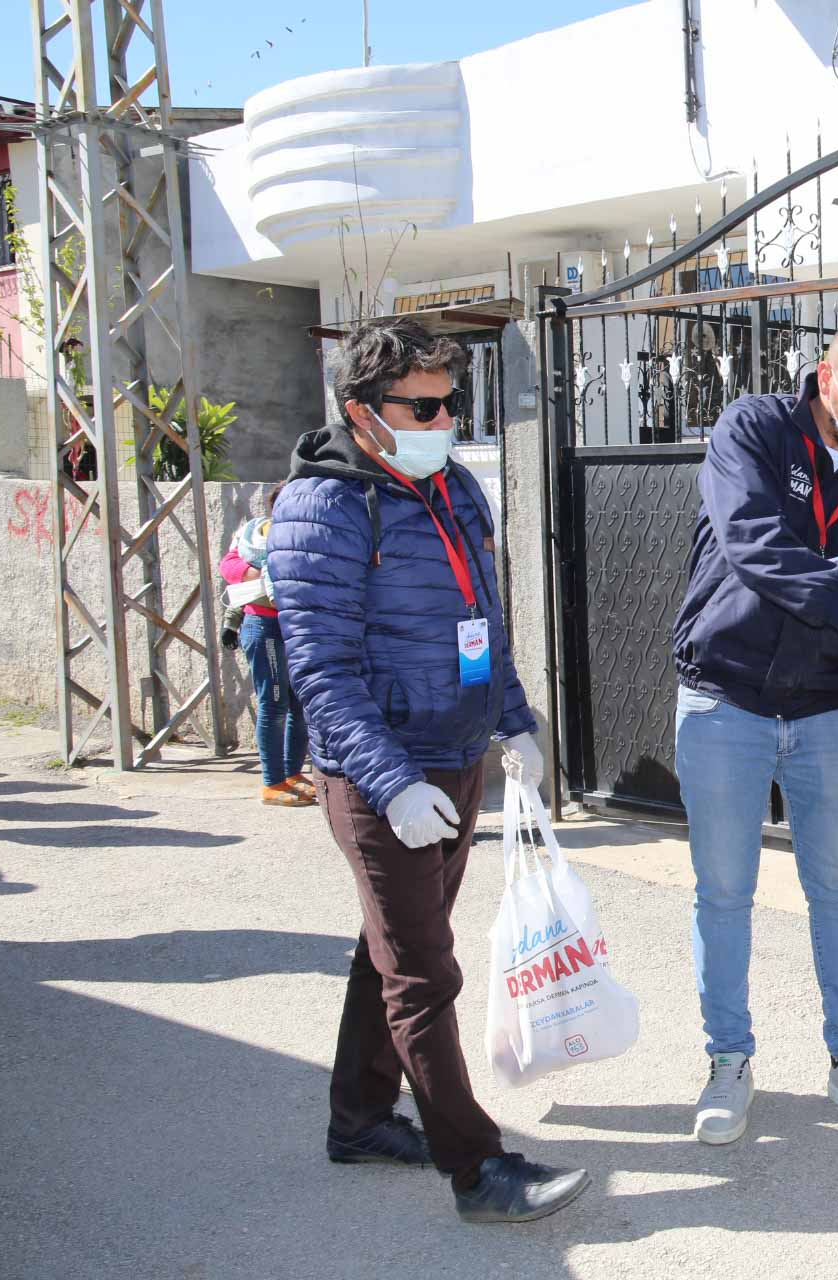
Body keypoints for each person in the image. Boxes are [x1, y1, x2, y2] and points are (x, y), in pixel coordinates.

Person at [267, 318, 588, 1224]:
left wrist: (515, 722)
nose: (446, 418)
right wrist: (390, 783)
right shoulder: (321, 510)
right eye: (426, 404)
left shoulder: (452, 489)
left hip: (456, 760)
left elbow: (484, 621)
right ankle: (476, 1167)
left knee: (390, 948)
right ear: (363, 411)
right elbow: (321, 671)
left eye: (454, 401)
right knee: (422, 971)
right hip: (383, 779)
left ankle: (361, 1117)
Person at [672, 315, 838, 1146]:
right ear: (826, 378)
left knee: (836, 892)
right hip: (725, 697)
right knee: (724, 893)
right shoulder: (753, 429)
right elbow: (754, 542)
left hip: (829, 709)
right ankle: (728, 1064)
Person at [221, 485, 314, 807]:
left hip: (298, 625)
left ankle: (292, 774)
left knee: (300, 705)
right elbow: (229, 567)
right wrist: (258, 573)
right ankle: (272, 782)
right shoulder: (256, 534)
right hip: (265, 625)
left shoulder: (309, 532)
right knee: (274, 705)